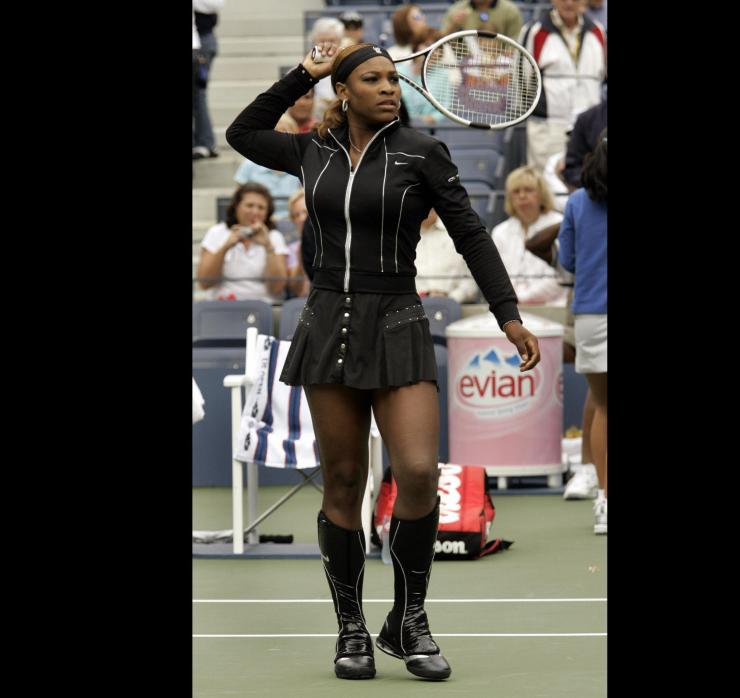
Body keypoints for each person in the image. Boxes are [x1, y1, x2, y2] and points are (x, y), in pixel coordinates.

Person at [226, 40, 541, 681]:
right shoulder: (309, 150)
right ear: (344, 91)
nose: (388, 88)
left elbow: (470, 233)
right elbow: (242, 132)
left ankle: (409, 619)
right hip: (327, 321)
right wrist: (301, 75)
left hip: (398, 319)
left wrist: (507, 313)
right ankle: (351, 630)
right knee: (342, 481)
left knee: (419, 473)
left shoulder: (424, 152)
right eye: (371, 79)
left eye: (391, 80)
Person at [558, 128, 607, 535]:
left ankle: (604, 502)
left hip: (592, 315)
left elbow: (568, 261)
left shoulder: (576, 203)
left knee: (603, 403)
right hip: (593, 311)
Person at [520, 0, 606, 170]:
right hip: (548, 128)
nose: (569, 3)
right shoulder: (534, 32)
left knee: (592, 185)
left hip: (590, 129)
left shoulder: (598, 31)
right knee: (547, 188)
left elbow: (602, 77)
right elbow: (523, 80)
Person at [197, 182, 289, 302]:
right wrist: (226, 247)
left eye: (261, 207)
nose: (255, 212)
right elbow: (205, 283)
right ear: (236, 207)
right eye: (249, 205)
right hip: (223, 306)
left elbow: (276, 288)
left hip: (263, 309)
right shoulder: (217, 232)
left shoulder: (274, 237)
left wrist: (268, 247)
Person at [490, 166, 567, 305]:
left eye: (528, 190)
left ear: (541, 194)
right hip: (511, 308)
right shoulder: (500, 231)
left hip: (552, 307)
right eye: (516, 191)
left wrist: (522, 298)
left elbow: (560, 277)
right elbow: (495, 276)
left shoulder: (558, 224)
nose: (522, 196)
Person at [414, 209, 479, 302]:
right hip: (411, 309)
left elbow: (470, 285)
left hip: (455, 309)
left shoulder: (457, 232)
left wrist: (448, 299)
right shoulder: (399, 237)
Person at [232, 114, 303, 200]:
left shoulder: (303, 167)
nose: (279, 138)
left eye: (285, 132)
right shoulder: (249, 164)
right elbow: (237, 200)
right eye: (274, 132)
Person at [193, 0, 225, 160]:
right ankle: (203, 141)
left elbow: (216, 4)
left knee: (198, 92)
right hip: (199, 39)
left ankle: (205, 142)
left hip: (202, 40)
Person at [442, 0, 524, 40]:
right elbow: (441, 41)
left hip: (502, 65)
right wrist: (453, 26)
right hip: (463, 64)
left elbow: (516, 41)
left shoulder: (511, 11)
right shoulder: (456, 10)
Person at [286, 189, 310, 298]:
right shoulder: (290, 249)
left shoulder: (334, 243)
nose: (301, 218)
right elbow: (299, 292)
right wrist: (301, 259)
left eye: (305, 212)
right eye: (296, 215)